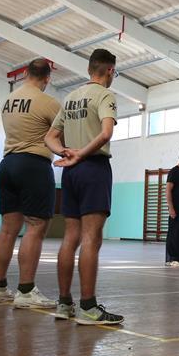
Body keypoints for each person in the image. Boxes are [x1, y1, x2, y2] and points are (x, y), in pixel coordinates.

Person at [45, 48, 123, 325]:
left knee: (71, 237)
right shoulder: (105, 95)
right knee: (91, 238)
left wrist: (64, 152)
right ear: (110, 70)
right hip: (93, 168)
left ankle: (64, 303)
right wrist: (81, 154)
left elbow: (50, 137)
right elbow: (106, 133)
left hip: (71, 173)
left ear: (90, 69)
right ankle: (88, 307)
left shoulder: (70, 97)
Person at [0, 59, 60, 308]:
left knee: (7, 228)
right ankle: (26, 291)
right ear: (47, 78)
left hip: (8, 163)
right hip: (33, 165)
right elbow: (62, 135)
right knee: (36, 226)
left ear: (26, 74)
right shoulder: (48, 102)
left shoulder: (8, 101)